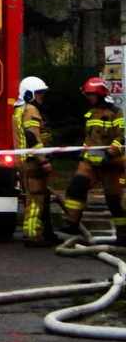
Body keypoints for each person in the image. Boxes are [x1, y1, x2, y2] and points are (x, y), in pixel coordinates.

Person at [60, 77, 125, 244]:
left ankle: (123, 235)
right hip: (90, 163)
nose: (88, 97)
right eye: (87, 94)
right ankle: (71, 224)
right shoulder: (90, 113)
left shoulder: (116, 113)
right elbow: (90, 138)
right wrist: (81, 151)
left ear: (100, 94)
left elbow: (122, 137)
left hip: (112, 164)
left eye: (91, 94)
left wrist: (110, 154)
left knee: (115, 201)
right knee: (76, 187)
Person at [13, 76, 58, 247]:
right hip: (34, 161)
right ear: (29, 94)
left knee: (35, 197)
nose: (42, 97)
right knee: (36, 198)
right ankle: (32, 236)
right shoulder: (30, 110)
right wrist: (43, 160)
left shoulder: (18, 110)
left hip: (24, 161)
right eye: (39, 93)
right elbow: (32, 136)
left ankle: (44, 233)